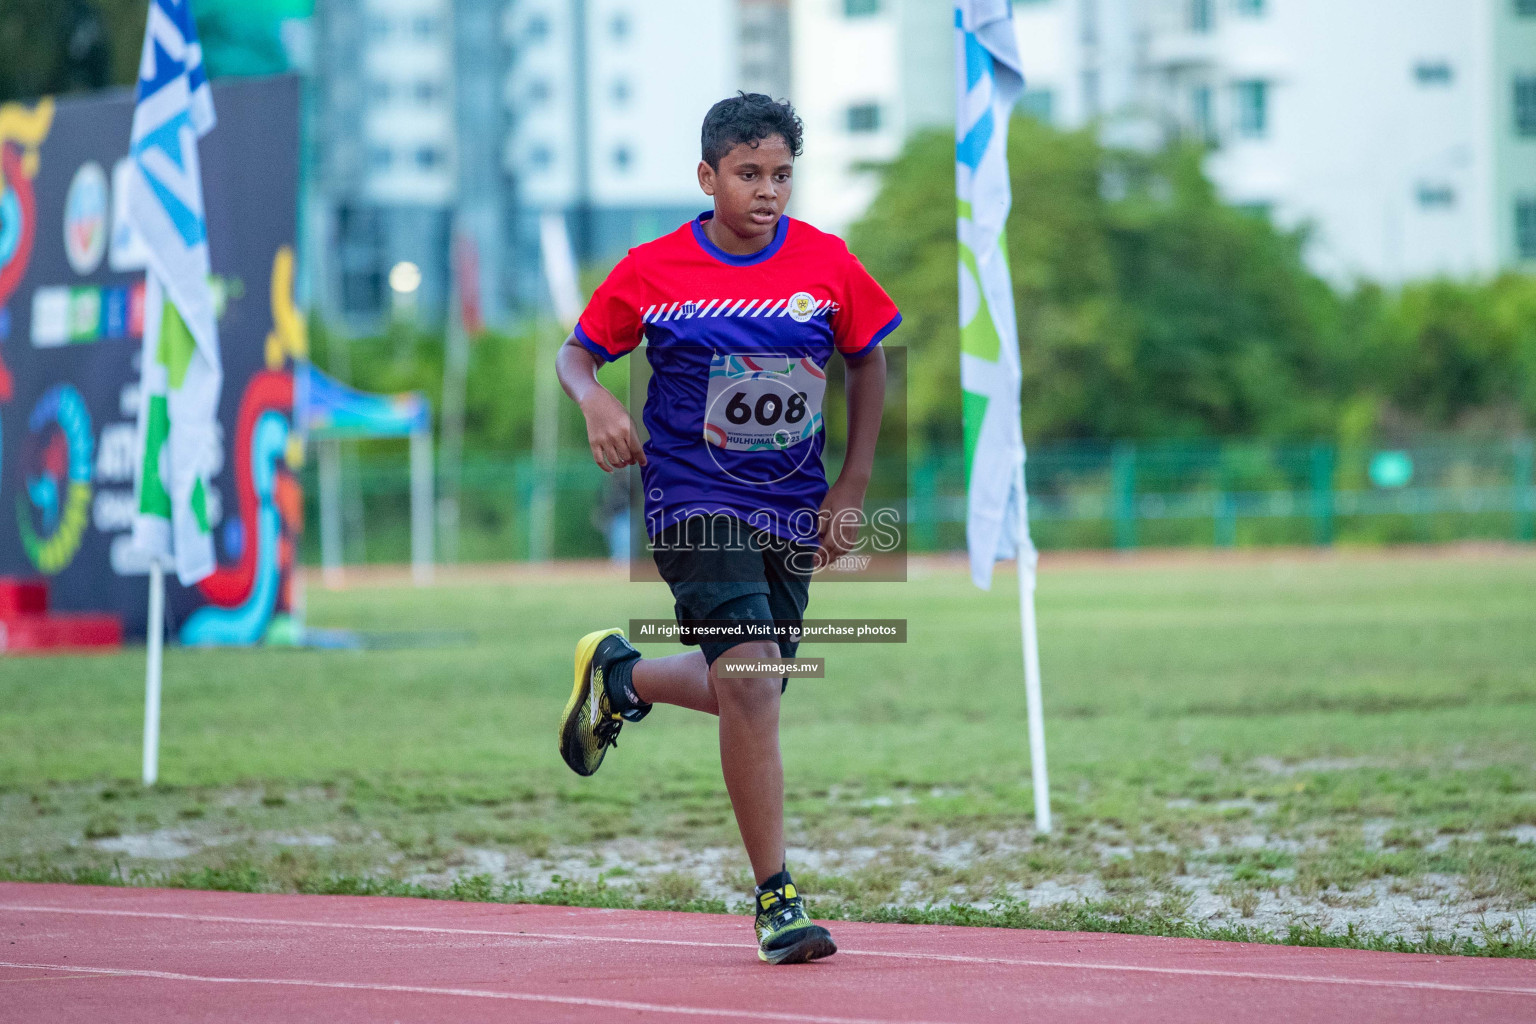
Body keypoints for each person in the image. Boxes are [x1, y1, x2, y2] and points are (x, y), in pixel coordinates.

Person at [553, 93, 898, 965]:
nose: (768, 190)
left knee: (756, 684)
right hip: (692, 497)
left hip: (793, 503)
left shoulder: (826, 263)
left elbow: (869, 358)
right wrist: (594, 398)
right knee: (750, 684)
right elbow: (576, 351)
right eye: (749, 174)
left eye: (782, 174)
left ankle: (622, 676)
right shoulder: (653, 268)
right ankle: (776, 897)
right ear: (709, 177)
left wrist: (851, 485)